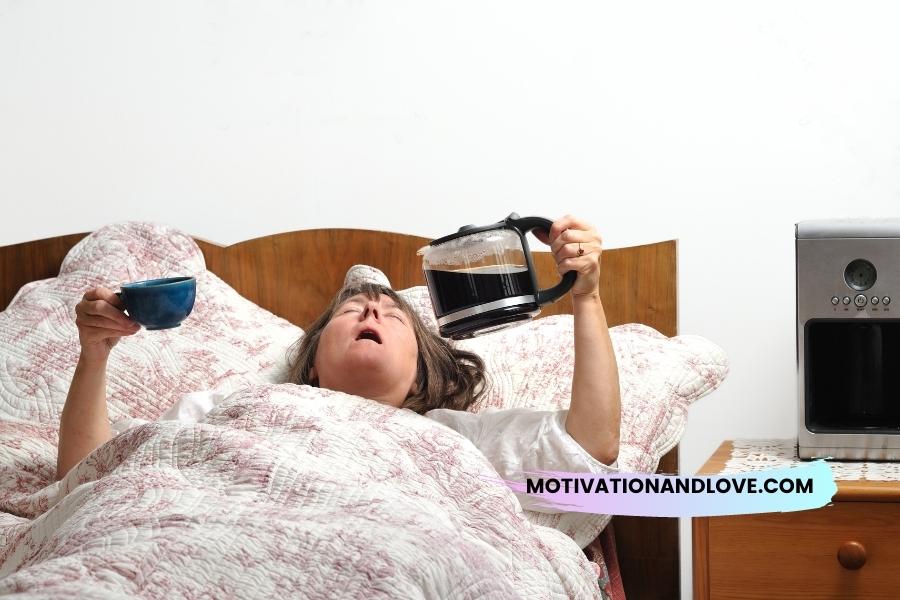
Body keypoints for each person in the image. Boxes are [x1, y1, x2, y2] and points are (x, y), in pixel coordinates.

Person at [56, 215, 622, 499]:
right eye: (352, 313)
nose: (372, 314)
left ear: (422, 370)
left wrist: (587, 295)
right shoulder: (237, 408)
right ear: (311, 365)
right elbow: (84, 478)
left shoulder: (457, 439)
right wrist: (96, 353)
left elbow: (592, 444)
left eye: (393, 316)